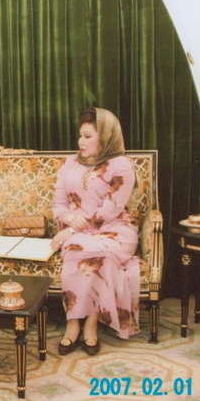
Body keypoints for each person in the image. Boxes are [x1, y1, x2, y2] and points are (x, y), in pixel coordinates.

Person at [50, 107, 140, 356]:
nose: (81, 141)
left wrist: (71, 231)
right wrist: (70, 219)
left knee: (96, 253)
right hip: (78, 230)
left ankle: (90, 323)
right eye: (80, 135)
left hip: (115, 230)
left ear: (106, 137)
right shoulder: (69, 163)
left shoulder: (121, 166)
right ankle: (73, 322)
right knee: (77, 250)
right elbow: (58, 205)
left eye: (88, 136)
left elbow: (109, 211)